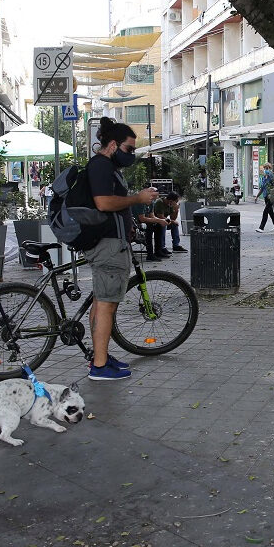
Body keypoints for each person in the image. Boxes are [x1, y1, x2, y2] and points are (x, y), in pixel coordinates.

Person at [86, 117, 158, 381]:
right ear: (113, 144)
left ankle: (99, 356)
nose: (131, 155)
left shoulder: (106, 167)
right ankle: (99, 366)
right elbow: (104, 202)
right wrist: (137, 198)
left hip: (110, 243)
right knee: (106, 305)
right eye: (129, 149)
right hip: (108, 246)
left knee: (101, 302)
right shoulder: (102, 166)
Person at [255, 162, 274, 233]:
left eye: (267, 168)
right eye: (265, 168)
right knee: (270, 212)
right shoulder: (264, 178)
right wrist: (257, 196)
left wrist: (272, 193)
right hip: (265, 196)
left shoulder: (271, 176)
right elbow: (262, 188)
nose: (266, 170)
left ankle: (261, 227)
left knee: (265, 211)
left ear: (270, 169)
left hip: (271, 196)